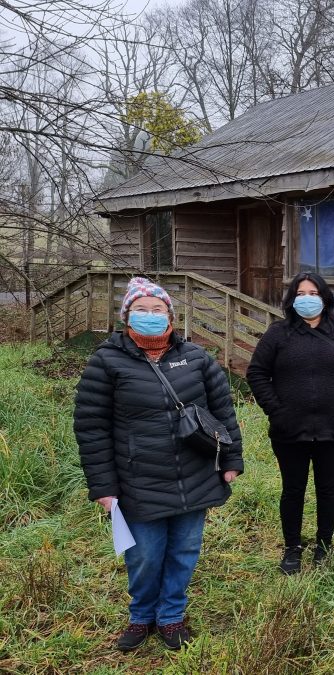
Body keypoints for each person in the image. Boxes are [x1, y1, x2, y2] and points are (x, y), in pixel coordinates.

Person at [74, 277, 243, 652]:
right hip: (138, 479)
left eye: (157, 309)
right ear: (126, 316)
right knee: (145, 555)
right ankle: (141, 616)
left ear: (170, 315)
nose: (150, 316)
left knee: (184, 551)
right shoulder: (106, 361)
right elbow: (91, 426)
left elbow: (223, 414)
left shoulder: (197, 358)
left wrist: (231, 459)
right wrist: (103, 485)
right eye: (141, 310)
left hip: (195, 475)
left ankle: (171, 616)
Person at [247, 273, 334, 574]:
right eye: (300, 293)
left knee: (327, 488)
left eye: (313, 292)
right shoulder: (278, 334)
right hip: (289, 430)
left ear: (324, 298)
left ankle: (324, 546)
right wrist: (275, 410)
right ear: (292, 299)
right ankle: (292, 548)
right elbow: (257, 373)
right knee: (293, 489)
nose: (307, 298)